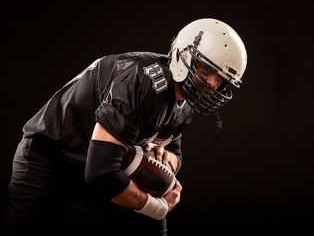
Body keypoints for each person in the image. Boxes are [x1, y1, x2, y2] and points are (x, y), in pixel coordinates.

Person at [0, 18, 247, 235]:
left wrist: (168, 158)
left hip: (101, 159)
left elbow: (175, 152)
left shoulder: (183, 102)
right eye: (207, 70)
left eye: (221, 80)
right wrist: (157, 206)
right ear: (185, 56)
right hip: (53, 154)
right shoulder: (142, 82)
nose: (212, 84)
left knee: (152, 226)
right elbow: (100, 174)